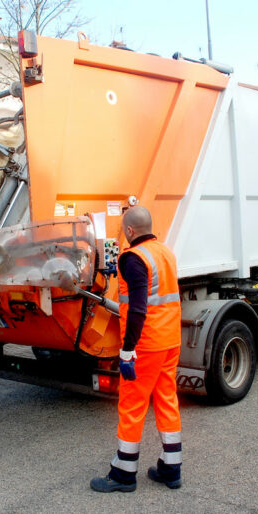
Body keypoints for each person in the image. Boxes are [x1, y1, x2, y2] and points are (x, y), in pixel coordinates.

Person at [90, 206, 183, 493]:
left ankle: (123, 473)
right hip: (170, 340)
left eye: (122, 230)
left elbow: (139, 307)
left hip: (147, 344)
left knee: (132, 405)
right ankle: (171, 469)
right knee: (167, 400)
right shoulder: (165, 252)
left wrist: (128, 349)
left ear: (130, 231)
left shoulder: (133, 258)